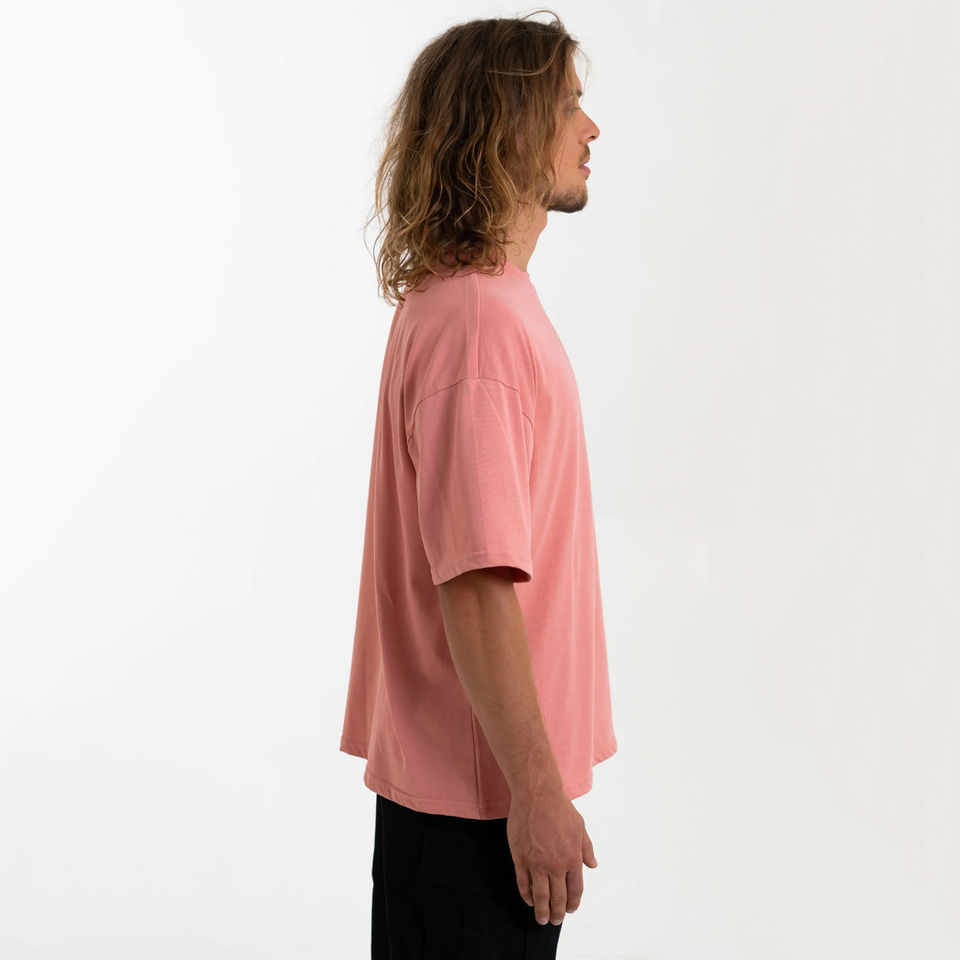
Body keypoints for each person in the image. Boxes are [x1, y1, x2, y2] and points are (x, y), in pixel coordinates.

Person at [339, 11, 617, 957]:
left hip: (465, 803)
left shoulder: (469, 303)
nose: (590, 127)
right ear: (506, 126)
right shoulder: (478, 326)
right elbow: (475, 578)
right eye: (568, 104)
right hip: (480, 812)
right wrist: (536, 793)